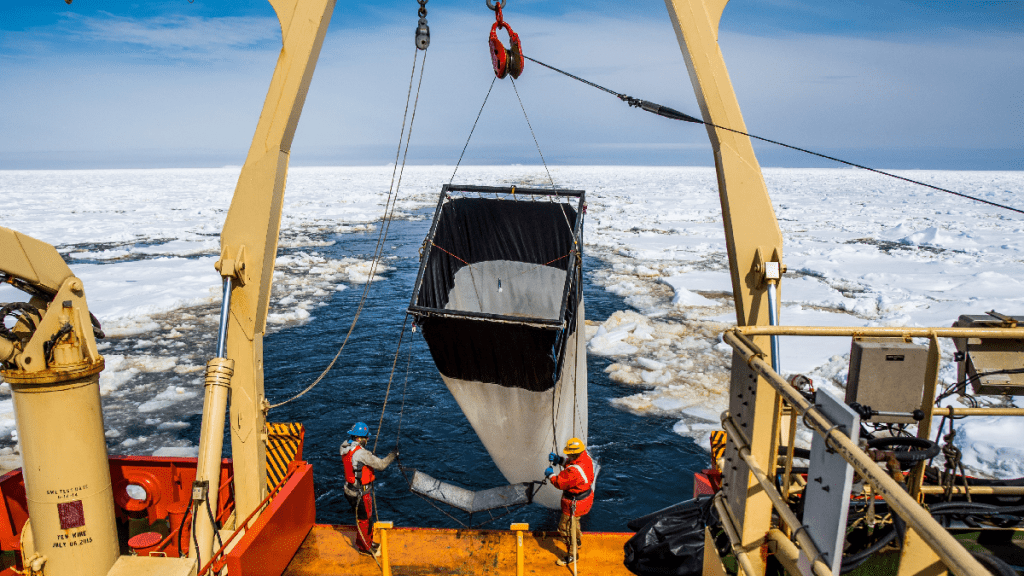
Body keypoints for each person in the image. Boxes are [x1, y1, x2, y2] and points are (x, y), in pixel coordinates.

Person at [340, 421, 396, 557]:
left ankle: (367, 542)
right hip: (360, 493)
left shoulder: (344, 447)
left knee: (363, 518)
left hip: (349, 490)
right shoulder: (361, 454)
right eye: (366, 437)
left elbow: (350, 449)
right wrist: (393, 454)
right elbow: (381, 465)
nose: (368, 439)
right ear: (359, 439)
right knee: (365, 520)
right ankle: (364, 548)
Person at [545, 437, 594, 565]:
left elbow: (560, 483)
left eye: (568, 453)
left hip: (574, 503)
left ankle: (573, 555)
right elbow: (571, 462)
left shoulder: (574, 472)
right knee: (574, 522)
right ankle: (577, 541)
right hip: (585, 499)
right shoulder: (585, 457)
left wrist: (550, 475)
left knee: (564, 528)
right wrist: (559, 460)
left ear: (573, 453)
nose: (567, 455)